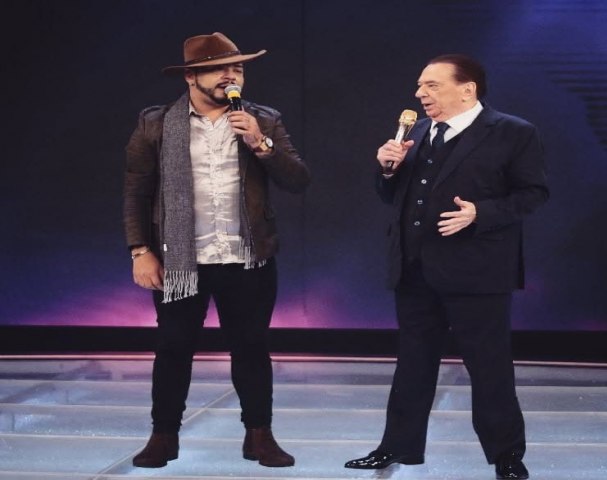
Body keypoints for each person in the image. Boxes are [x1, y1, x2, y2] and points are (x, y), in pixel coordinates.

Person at [344, 54, 548, 479]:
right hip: (415, 268)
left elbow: (533, 193)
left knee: (489, 367)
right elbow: (394, 196)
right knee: (413, 363)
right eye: (421, 85)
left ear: (467, 89)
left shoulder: (512, 132)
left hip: (478, 271)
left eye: (432, 85)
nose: (420, 93)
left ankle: (507, 457)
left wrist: (481, 213)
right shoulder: (418, 131)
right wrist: (387, 171)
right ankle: (395, 446)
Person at [123, 31, 310, 469]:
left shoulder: (263, 119)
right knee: (173, 348)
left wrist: (260, 143)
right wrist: (139, 250)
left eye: (238, 68)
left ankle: (259, 435)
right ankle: (163, 436)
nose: (231, 76)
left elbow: (298, 180)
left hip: (247, 257)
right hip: (180, 260)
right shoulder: (156, 123)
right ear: (191, 76)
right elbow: (136, 192)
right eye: (219, 69)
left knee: (251, 348)